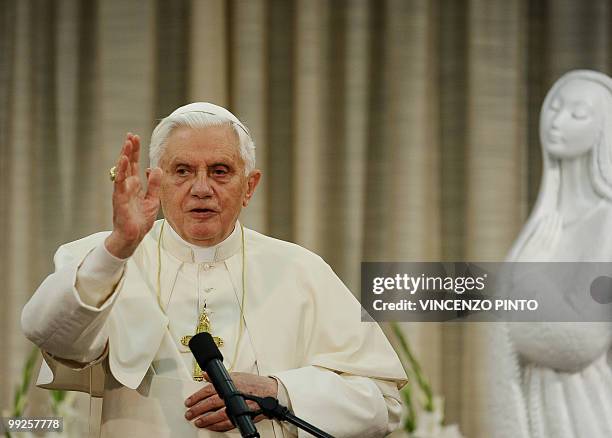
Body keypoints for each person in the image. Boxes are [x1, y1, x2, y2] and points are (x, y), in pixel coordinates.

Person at [21, 102, 407, 437]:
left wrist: (279, 391)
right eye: (183, 171)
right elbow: (50, 334)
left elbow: (382, 405)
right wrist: (119, 248)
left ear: (249, 186)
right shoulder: (103, 256)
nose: (202, 188)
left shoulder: (302, 270)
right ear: (158, 181)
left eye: (220, 171)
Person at [490, 70, 612, 437]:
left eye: (577, 114)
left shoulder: (607, 220)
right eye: (554, 109)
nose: (557, 122)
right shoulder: (544, 226)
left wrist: (526, 281)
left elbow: (583, 339)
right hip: (535, 401)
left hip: (583, 410)